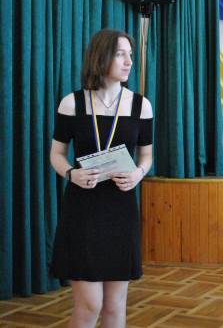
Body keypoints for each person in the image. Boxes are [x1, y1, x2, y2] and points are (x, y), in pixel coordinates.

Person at [49, 29, 153, 327]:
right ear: (101, 57)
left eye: (130, 55)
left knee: (114, 307)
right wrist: (72, 173)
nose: (129, 62)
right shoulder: (72, 103)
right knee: (89, 305)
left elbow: (147, 156)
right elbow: (56, 154)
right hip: (82, 208)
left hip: (121, 208)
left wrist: (137, 174)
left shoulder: (141, 105)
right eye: (121, 54)